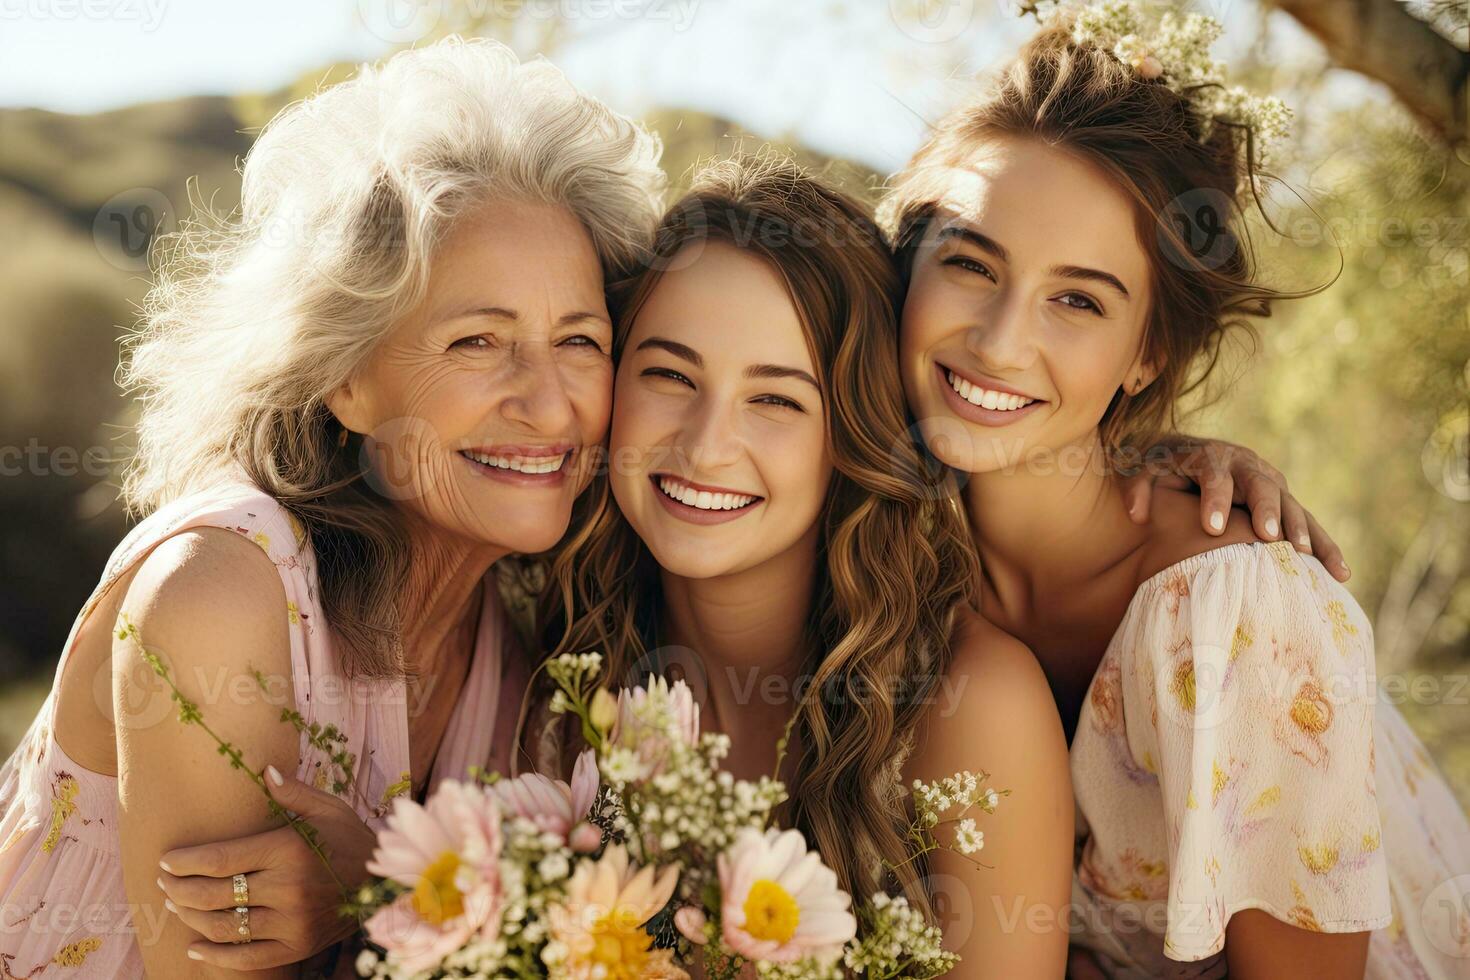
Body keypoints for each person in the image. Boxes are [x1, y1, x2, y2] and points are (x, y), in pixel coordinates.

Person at [0, 37, 663, 978]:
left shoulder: (529, 658)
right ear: (344, 380)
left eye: (580, 340)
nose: (549, 403)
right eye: (478, 341)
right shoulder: (222, 595)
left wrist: (389, 889)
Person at [879, 6, 1470, 976]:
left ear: (1147, 352)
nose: (998, 339)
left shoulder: (1237, 607)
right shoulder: (888, 553)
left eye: (1077, 299)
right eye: (969, 262)